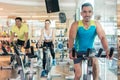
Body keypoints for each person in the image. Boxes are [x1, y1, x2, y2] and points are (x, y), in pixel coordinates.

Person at [68, 3, 110, 80]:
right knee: (78, 74)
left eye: (89, 12)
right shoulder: (76, 24)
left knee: (95, 64)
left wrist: (107, 49)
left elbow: (103, 37)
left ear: (92, 13)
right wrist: (71, 51)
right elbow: (71, 38)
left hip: (90, 51)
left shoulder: (96, 24)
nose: (87, 14)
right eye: (85, 12)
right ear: (81, 13)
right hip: (78, 51)